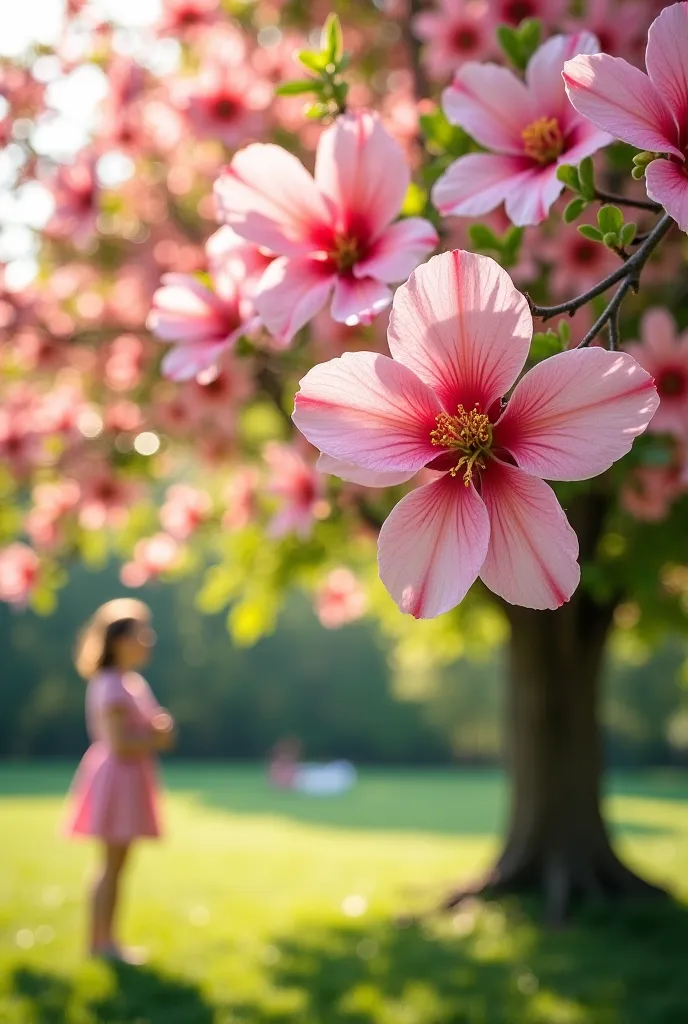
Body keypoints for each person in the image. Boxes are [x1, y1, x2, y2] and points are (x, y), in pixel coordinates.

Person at [62, 598, 175, 961]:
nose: (148, 640)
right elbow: (119, 743)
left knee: (118, 865)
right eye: (141, 633)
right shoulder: (110, 684)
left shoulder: (131, 683)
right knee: (110, 865)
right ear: (119, 640)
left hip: (131, 778)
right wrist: (155, 736)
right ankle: (100, 944)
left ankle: (107, 941)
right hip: (117, 780)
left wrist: (159, 734)